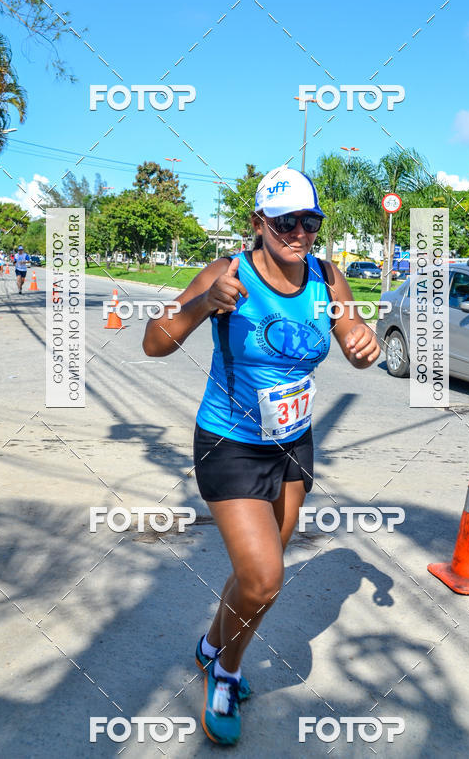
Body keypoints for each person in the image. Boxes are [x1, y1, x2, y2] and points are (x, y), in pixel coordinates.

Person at [142, 167, 380, 746]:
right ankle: (225, 671)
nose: (300, 233)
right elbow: (153, 342)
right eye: (286, 222)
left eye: (310, 221)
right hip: (230, 443)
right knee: (267, 579)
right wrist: (203, 303)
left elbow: (352, 339)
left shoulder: (329, 277)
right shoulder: (229, 274)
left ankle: (209, 644)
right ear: (259, 224)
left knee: (255, 575)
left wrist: (362, 342)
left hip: (293, 444)